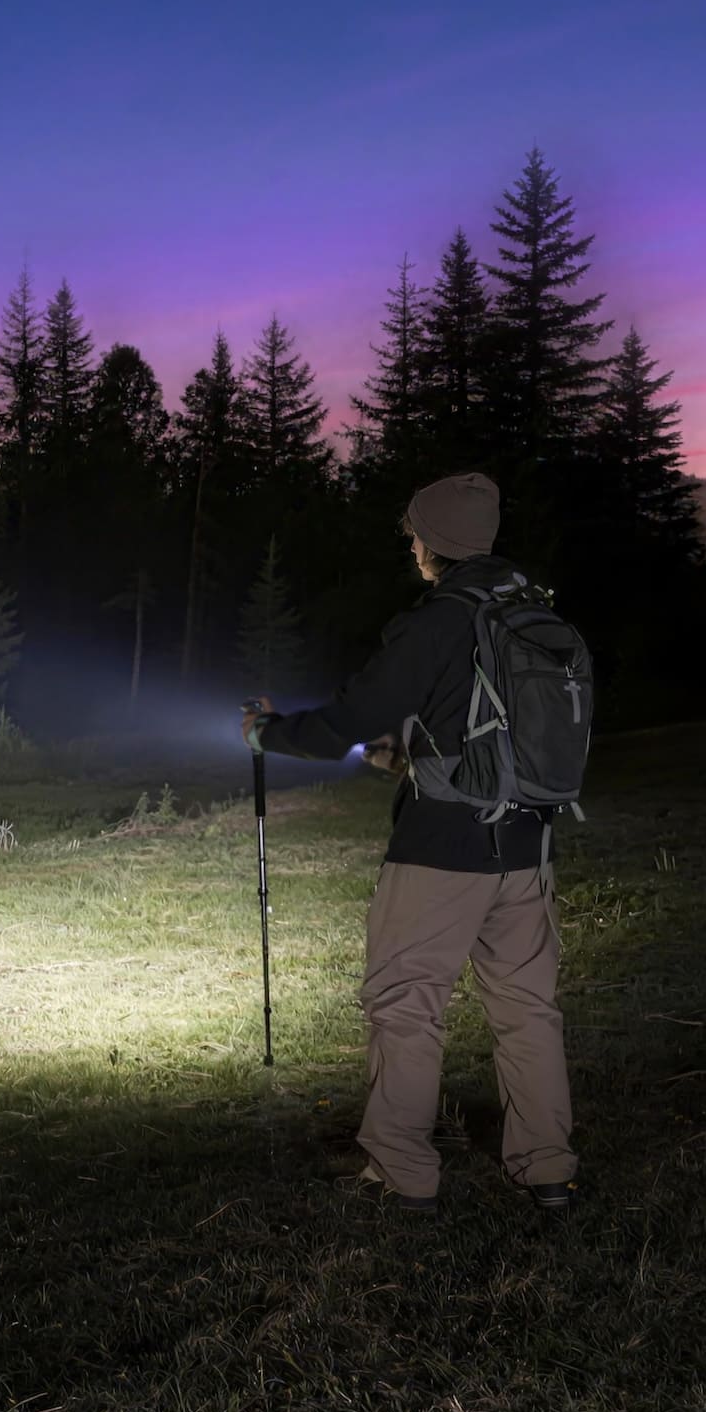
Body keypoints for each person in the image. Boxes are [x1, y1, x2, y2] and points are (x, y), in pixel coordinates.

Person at [239, 471, 578, 1215]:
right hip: (528, 845)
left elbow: (346, 720)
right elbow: (486, 729)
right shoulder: (527, 610)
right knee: (528, 1010)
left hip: (442, 850)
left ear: (435, 543)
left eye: (415, 535)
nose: (412, 546)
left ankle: (402, 1173)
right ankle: (548, 1168)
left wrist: (269, 732)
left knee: (405, 1004)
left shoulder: (438, 620)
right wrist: (412, 756)